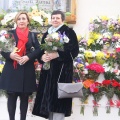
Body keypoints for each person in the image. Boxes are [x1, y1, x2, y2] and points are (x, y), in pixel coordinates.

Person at [32, 10, 79, 120]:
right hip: (48, 72)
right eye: (53, 18)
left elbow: (74, 51)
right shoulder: (48, 32)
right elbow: (41, 50)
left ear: (62, 19)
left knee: (59, 100)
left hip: (62, 71)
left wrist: (57, 54)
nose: (55, 20)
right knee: (48, 101)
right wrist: (41, 58)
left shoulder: (69, 32)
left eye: (57, 18)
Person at [0, 11, 41, 120]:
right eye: (19, 19)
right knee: (12, 96)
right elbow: (3, 49)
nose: (21, 21)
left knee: (25, 96)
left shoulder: (32, 35)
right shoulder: (10, 33)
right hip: (12, 69)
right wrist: (10, 55)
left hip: (27, 68)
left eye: (24, 19)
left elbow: (39, 49)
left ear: (28, 21)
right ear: (16, 21)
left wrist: (28, 57)